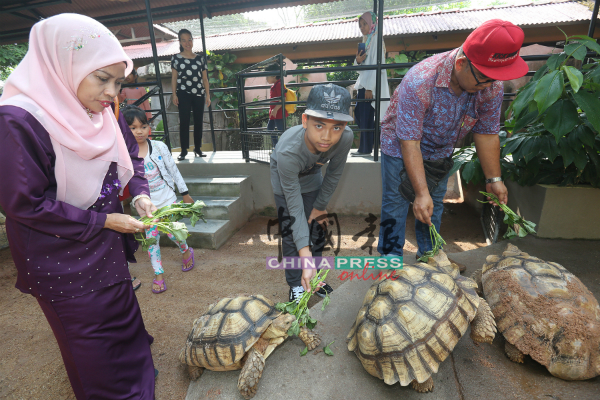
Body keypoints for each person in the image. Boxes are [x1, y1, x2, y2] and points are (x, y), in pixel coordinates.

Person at [0, 14, 159, 399]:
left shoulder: (102, 111)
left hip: (106, 239)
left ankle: (139, 382)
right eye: (102, 78)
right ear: (64, 65)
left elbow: (128, 158)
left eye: (119, 82)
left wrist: (139, 193)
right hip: (58, 254)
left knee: (122, 319)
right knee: (89, 338)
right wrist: (104, 220)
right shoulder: (18, 119)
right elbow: (24, 203)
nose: (112, 92)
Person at [378, 19, 528, 260]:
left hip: (440, 149)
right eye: (485, 79)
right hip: (401, 145)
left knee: (432, 206)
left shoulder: (490, 86)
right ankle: (389, 261)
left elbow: (487, 133)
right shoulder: (420, 82)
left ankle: (429, 258)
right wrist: (420, 192)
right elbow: (410, 142)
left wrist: (494, 179)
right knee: (395, 205)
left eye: (495, 79)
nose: (490, 86)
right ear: (461, 64)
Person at [270, 83, 354, 303]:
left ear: (344, 125)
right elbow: (295, 207)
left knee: (317, 228)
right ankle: (296, 284)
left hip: (312, 176)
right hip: (285, 182)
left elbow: (334, 174)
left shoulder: (345, 138)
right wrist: (303, 258)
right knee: (291, 235)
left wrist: (320, 206)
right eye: (319, 125)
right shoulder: (287, 150)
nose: (327, 136)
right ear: (305, 120)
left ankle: (314, 277)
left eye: (336, 127)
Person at [122, 105, 195, 294]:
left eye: (143, 126)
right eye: (132, 127)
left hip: (167, 200)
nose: (139, 131)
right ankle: (159, 274)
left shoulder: (160, 147)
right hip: (145, 207)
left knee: (174, 233)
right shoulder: (124, 154)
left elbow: (173, 171)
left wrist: (185, 193)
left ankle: (186, 250)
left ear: (149, 128)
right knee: (151, 240)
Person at [352, 11, 390, 157]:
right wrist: (358, 60)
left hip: (369, 86)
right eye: (360, 25)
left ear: (372, 23)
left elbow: (376, 64)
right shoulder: (367, 40)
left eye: (364, 24)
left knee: (366, 116)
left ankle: (365, 149)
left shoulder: (376, 40)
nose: (362, 27)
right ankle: (367, 147)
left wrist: (370, 88)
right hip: (363, 84)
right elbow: (359, 66)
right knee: (360, 115)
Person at [171, 28, 211, 160]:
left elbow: (205, 79)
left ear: (192, 40)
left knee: (199, 120)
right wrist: (174, 94)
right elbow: (174, 78)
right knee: (184, 121)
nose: (187, 43)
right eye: (184, 40)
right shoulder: (176, 58)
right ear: (180, 42)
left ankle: (198, 148)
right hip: (183, 93)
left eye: (189, 39)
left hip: (199, 93)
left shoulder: (200, 59)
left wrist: (208, 95)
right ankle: (183, 150)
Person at [265, 62, 288, 148]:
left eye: (267, 76)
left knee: (281, 131)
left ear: (274, 76)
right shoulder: (275, 85)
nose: (266, 78)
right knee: (270, 129)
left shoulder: (279, 84)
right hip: (274, 113)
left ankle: (282, 147)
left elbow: (283, 98)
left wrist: (275, 109)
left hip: (278, 113)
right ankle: (277, 146)